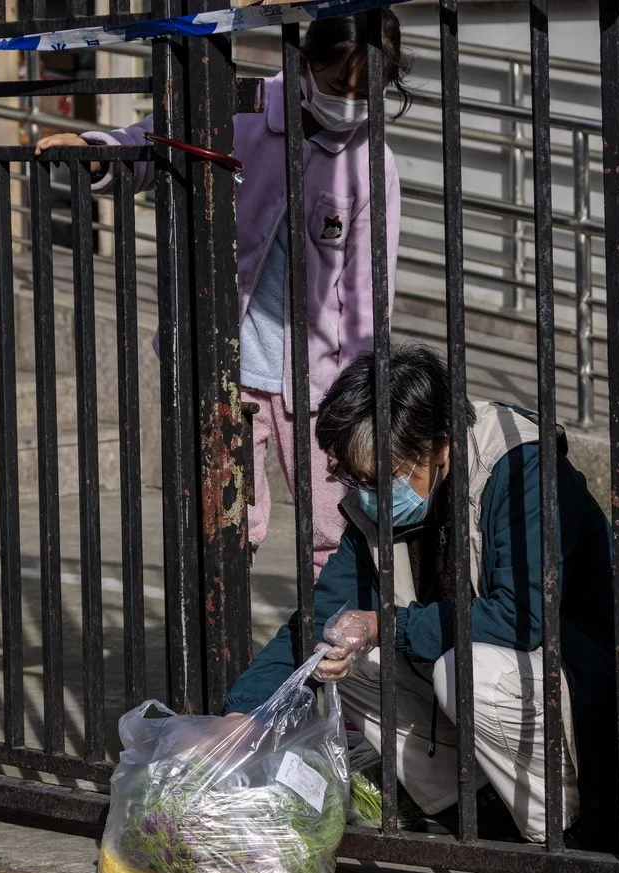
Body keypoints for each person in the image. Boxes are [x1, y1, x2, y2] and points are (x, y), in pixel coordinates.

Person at [35, 14, 411, 577]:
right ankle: (222, 628)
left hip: (318, 381)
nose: (351, 105)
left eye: (368, 94)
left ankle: (341, 629)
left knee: (336, 527)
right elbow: (159, 142)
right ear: (304, 64)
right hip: (224, 362)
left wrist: (359, 393)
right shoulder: (246, 108)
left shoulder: (372, 162)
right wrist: (98, 151)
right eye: (339, 86)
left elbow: (367, 294)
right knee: (228, 523)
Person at [221, 344, 619, 850]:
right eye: (358, 479)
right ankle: (475, 809)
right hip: (501, 679)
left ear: (439, 446)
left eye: (384, 478)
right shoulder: (380, 503)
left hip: (586, 679)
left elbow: (523, 617)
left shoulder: (521, 467)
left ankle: (566, 827)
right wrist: (243, 716)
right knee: (342, 651)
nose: (371, 493)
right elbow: (320, 617)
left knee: (465, 670)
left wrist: (385, 625)